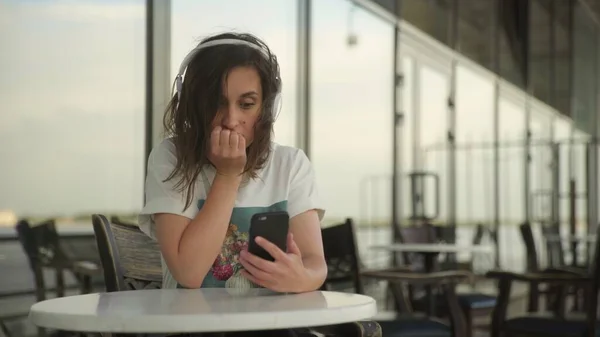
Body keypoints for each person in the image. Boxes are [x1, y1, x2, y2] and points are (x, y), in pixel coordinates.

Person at [138, 32, 328, 336]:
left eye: (247, 104)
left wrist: (301, 278)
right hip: (194, 329)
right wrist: (228, 175)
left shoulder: (290, 165)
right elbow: (188, 273)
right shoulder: (171, 156)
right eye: (217, 103)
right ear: (195, 105)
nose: (231, 119)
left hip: (271, 327)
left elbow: (316, 263)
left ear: (265, 108)